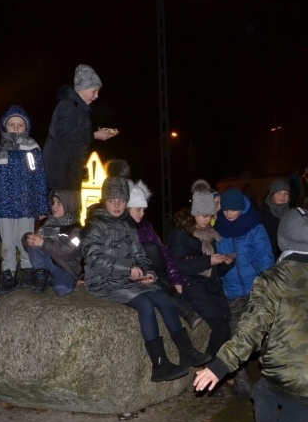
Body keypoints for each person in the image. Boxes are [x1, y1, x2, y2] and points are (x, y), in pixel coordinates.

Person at [194, 207, 308, 422]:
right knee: (269, 397)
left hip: (289, 375)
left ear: (282, 239)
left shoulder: (271, 279)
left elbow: (251, 329)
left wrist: (220, 366)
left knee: (269, 400)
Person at [80, 164, 210, 382]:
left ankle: (186, 351)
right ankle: (159, 365)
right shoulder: (96, 225)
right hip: (104, 281)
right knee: (145, 305)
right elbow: (94, 258)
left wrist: (147, 271)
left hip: (128, 278)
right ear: (105, 201)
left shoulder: (126, 226)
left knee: (163, 298)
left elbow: (140, 253)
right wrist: (127, 269)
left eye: (121, 201)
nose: (117, 205)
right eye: (112, 201)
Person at [0, 105, 49, 295]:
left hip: (26, 206)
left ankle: (28, 273)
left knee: (26, 241)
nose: (16, 128)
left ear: (26, 127)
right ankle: (8, 275)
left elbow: (39, 178)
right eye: (12, 124)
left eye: (20, 124)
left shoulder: (31, 149)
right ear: (5, 127)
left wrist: (41, 205)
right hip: (3, 207)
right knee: (8, 243)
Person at [214, 187, 275, 396]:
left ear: (241, 208)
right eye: (226, 210)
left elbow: (265, 254)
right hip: (231, 289)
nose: (230, 215)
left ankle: (273, 376)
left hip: (254, 287)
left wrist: (266, 282)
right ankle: (240, 380)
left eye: (234, 210)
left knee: (262, 332)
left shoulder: (254, 225)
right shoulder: (219, 226)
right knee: (235, 334)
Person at [168, 180, 235, 359]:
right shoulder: (181, 233)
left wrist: (226, 264)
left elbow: (211, 270)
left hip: (209, 286)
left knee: (226, 327)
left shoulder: (210, 234)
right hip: (191, 286)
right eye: (204, 215)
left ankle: (211, 373)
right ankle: (208, 370)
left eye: (210, 215)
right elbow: (177, 266)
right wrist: (208, 260)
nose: (208, 219)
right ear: (194, 212)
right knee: (221, 328)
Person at [126, 178, 203, 330]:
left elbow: (164, 253)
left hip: (155, 270)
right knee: (149, 250)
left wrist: (176, 279)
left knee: (152, 250)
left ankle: (187, 311)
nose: (142, 213)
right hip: (138, 273)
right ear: (128, 208)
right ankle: (187, 311)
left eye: (144, 209)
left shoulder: (146, 226)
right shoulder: (121, 228)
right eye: (138, 209)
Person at [42, 64, 118, 192]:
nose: (96, 96)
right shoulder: (69, 107)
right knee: (65, 211)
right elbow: (65, 137)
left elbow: (74, 141)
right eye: (94, 91)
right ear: (83, 88)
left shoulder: (78, 108)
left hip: (66, 177)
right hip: (59, 180)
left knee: (72, 210)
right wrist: (94, 135)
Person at [21, 189, 82, 297]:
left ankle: (52, 280)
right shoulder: (49, 226)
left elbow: (67, 251)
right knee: (35, 243)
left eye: (58, 203)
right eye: (53, 203)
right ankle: (40, 275)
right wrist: (27, 239)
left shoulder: (76, 230)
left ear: (70, 205)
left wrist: (43, 243)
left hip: (66, 268)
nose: (54, 207)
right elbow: (35, 245)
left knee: (63, 289)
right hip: (47, 264)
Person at [258, 178, 291, 256]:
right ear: (271, 196)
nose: (283, 196)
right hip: (268, 254)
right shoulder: (262, 214)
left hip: (287, 256)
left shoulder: (292, 214)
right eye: (279, 193)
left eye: (286, 193)